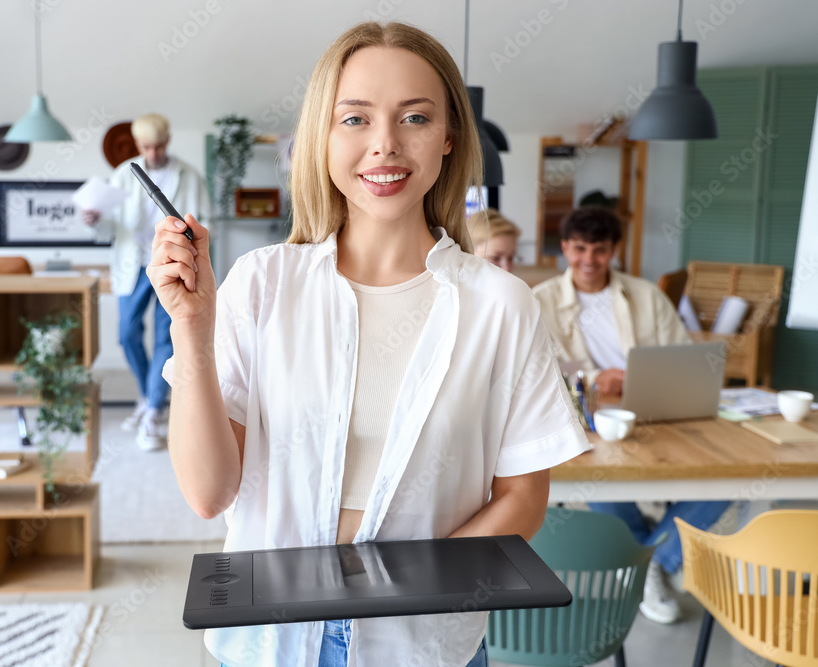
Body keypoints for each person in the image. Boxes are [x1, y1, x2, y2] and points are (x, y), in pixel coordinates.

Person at [150, 22, 590, 667]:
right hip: (272, 641)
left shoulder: (500, 304)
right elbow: (209, 493)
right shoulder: (261, 284)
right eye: (354, 119)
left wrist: (401, 592)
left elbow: (522, 498)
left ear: (448, 140)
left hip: (423, 642)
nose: (385, 145)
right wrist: (190, 327)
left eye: (414, 117)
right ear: (322, 140)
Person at [531, 206, 730, 625]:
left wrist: (640, 377)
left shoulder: (646, 295)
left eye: (600, 250)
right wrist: (593, 377)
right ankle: (659, 559)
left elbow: (681, 358)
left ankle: (646, 560)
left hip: (655, 413)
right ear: (565, 247)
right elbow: (536, 371)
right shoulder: (540, 300)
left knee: (728, 477)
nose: (589, 259)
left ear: (614, 250)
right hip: (586, 421)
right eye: (580, 248)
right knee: (602, 479)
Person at [83, 114, 211, 451]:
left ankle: (153, 411)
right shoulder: (124, 173)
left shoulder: (190, 177)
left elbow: (204, 223)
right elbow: (111, 229)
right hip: (133, 265)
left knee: (166, 337)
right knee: (127, 334)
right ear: (137, 145)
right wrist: (95, 220)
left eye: (158, 146)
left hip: (173, 264)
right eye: (145, 147)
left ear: (168, 140)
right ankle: (147, 396)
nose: (152, 154)